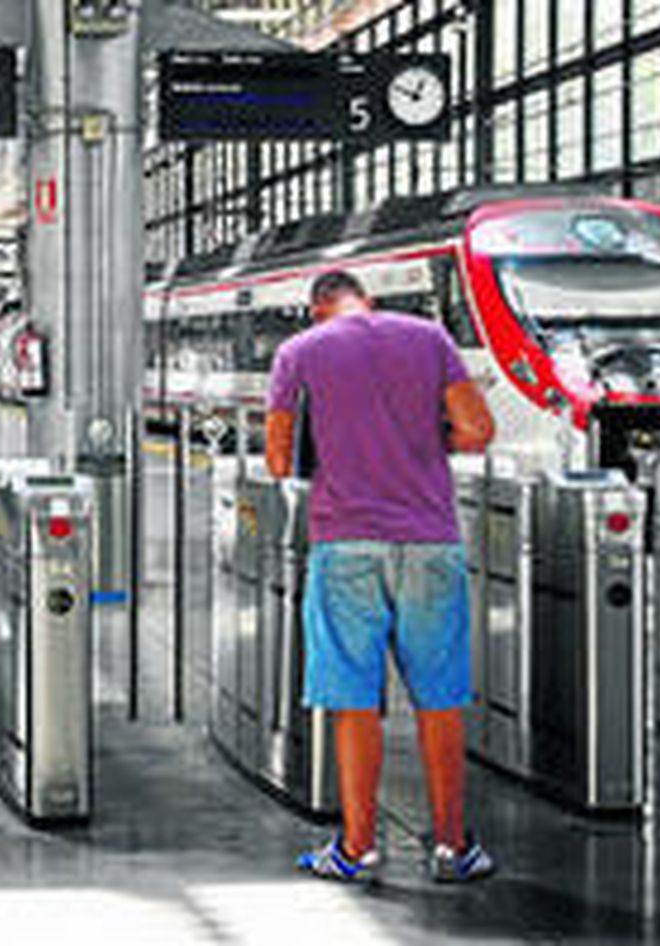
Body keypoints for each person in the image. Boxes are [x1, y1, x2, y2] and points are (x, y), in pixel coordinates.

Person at [265, 269, 497, 884]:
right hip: (430, 541)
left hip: (344, 543)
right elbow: (477, 430)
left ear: (318, 311)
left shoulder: (298, 352)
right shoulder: (429, 338)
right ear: (367, 298)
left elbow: (279, 457)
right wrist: (420, 441)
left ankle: (357, 848)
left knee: (354, 701)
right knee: (440, 698)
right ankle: (452, 847)